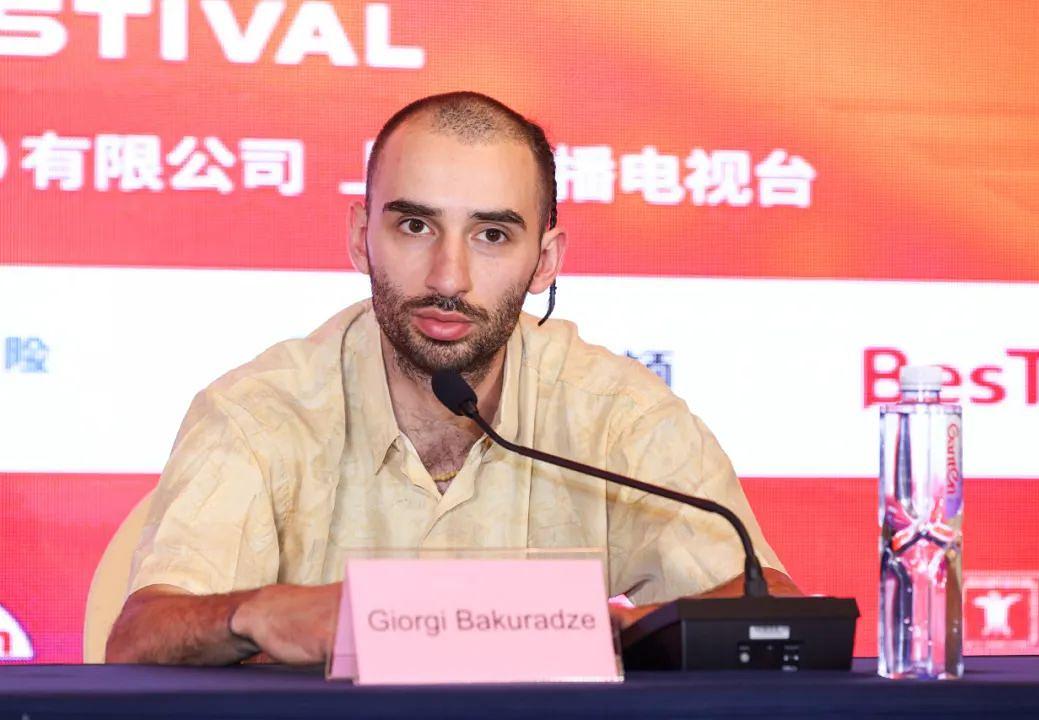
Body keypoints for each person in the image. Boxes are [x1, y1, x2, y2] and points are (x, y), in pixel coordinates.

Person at [105, 91, 798, 665]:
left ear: (545, 261)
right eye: (415, 226)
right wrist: (257, 612)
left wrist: (608, 631)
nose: (448, 278)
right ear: (361, 237)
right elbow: (138, 638)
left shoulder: (616, 413)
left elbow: (774, 605)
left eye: (492, 235)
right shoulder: (260, 410)